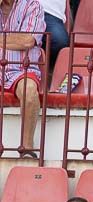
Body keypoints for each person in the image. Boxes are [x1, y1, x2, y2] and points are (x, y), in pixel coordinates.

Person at [0, 0, 45, 155]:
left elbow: (28, 40)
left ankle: (27, 149)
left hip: (21, 69)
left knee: (30, 91)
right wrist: (12, 40)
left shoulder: (32, 5)